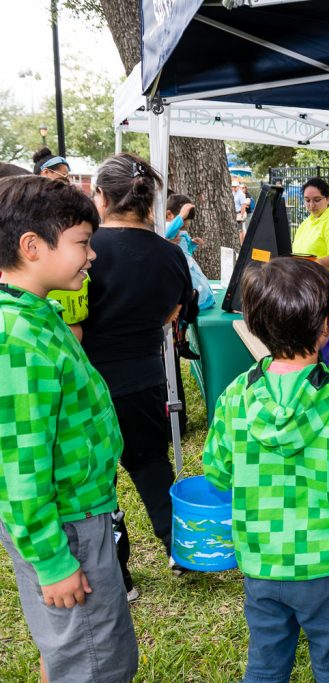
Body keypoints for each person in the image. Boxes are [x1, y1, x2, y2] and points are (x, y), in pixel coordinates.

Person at [203, 257, 329, 683]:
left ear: (256, 325)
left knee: (264, 665)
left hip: (261, 563)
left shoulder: (236, 396)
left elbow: (218, 473)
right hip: (327, 569)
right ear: (325, 328)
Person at [0, 176, 138, 683]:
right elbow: (20, 465)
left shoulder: (35, 316)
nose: (93, 255)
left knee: (73, 645)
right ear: (32, 247)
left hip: (78, 515)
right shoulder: (16, 339)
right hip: (66, 526)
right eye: (82, 242)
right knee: (94, 660)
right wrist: (55, 562)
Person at [80, 153, 193, 595]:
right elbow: (175, 312)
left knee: (97, 483)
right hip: (146, 376)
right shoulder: (170, 254)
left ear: (102, 197)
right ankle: (180, 548)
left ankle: (119, 574)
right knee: (150, 465)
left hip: (92, 381)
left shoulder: (86, 250)